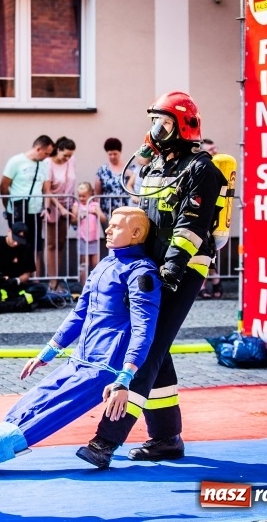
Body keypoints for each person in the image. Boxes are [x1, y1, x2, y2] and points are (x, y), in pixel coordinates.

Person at [0, 207, 161, 479]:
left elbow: (144, 330)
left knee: (47, 413)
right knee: (31, 402)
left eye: (115, 226)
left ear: (137, 233)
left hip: (104, 367)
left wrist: (124, 378)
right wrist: (48, 352)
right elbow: (79, 313)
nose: (107, 230)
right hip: (81, 358)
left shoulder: (142, 273)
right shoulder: (106, 264)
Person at [76, 91, 226, 470]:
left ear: (183, 126)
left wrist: (173, 269)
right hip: (149, 268)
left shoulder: (202, 169)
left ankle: (105, 442)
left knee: (147, 351)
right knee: (158, 351)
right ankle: (165, 438)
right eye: (153, 122)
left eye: (163, 122)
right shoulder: (155, 168)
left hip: (183, 269)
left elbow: (191, 227)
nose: (155, 130)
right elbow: (144, 221)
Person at [0, 135, 55, 270]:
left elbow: (46, 190)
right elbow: (3, 185)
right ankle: (16, 278)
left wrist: (46, 208)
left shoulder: (43, 165)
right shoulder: (16, 161)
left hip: (35, 211)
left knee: (35, 247)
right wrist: (8, 206)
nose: (47, 157)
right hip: (18, 210)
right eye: (46, 153)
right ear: (38, 149)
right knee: (16, 244)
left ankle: (34, 280)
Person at [0, 222, 48, 315]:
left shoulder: (26, 248)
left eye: (20, 241)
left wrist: (17, 280)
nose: (16, 243)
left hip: (16, 286)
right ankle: (21, 304)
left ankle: (3, 306)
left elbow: (27, 273)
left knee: (40, 289)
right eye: (14, 239)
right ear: (9, 231)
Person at [43, 136, 76, 293]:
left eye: (70, 155)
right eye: (65, 155)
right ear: (58, 150)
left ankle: (58, 281)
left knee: (61, 243)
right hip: (53, 205)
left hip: (67, 206)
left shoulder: (71, 160)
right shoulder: (48, 163)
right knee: (51, 244)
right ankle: (52, 282)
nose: (68, 158)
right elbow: (47, 190)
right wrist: (59, 208)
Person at [198, 138, 222, 299]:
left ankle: (212, 281)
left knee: (210, 251)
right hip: (203, 216)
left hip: (217, 215)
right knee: (205, 251)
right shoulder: (202, 167)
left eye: (215, 148)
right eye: (211, 149)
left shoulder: (221, 165)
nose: (214, 151)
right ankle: (211, 282)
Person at [94, 137, 136, 227]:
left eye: (115, 154)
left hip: (126, 212)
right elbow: (97, 192)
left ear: (120, 153)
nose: (112, 156)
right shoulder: (102, 170)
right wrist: (98, 210)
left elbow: (136, 187)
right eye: (110, 154)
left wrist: (132, 176)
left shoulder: (131, 168)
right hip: (108, 212)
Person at [70, 182, 103, 285]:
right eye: (79, 196)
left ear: (90, 194)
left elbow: (103, 219)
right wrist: (80, 216)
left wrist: (97, 213)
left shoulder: (95, 205)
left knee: (95, 263)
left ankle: (96, 284)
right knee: (84, 263)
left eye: (84, 196)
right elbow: (72, 220)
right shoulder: (76, 205)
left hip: (94, 238)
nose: (81, 198)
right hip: (83, 238)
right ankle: (84, 286)